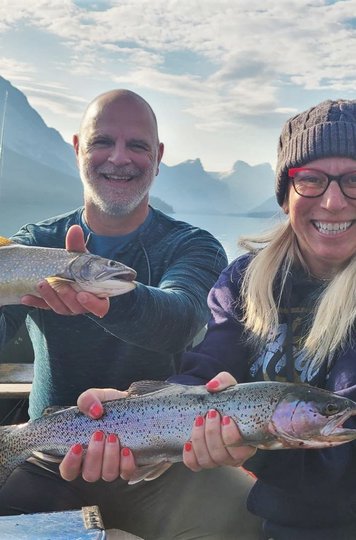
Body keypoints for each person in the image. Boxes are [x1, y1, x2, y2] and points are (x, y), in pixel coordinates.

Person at [63, 99, 356, 540]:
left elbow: (341, 456)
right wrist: (130, 411)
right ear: (286, 194)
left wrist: (248, 448)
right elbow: (206, 375)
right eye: (310, 180)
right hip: (277, 522)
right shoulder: (246, 280)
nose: (333, 201)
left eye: (354, 180)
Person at [0, 90, 263, 539]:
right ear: (78, 147)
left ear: (157, 157)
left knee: (249, 517)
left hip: (168, 461)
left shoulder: (192, 246)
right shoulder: (34, 243)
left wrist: (106, 296)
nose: (119, 158)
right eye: (103, 141)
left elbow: (181, 318)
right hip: (46, 456)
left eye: (137, 145)